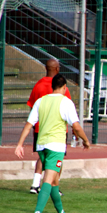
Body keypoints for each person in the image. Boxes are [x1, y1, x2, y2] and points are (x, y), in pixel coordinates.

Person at [15, 74, 90, 213]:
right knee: (48, 180)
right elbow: (75, 126)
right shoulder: (66, 102)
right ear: (64, 88)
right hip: (56, 146)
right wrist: (86, 140)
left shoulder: (41, 101)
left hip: (42, 145)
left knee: (54, 181)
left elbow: (29, 124)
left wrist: (20, 144)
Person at [26, 58, 72, 195]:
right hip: (57, 131)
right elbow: (67, 109)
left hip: (40, 128)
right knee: (57, 157)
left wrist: (35, 124)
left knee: (42, 156)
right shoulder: (63, 88)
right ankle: (54, 185)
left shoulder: (38, 85)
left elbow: (32, 107)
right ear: (57, 69)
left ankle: (35, 184)